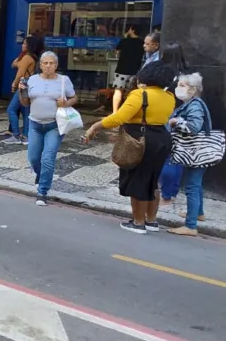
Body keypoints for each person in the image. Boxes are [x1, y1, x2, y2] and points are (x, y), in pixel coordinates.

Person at [84, 62, 176, 235]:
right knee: (153, 181)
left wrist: (96, 126)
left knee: (138, 180)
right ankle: (151, 221)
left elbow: (119, 117)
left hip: (140, 138)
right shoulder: (169, 96)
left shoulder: (139, 95)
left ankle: (138, 222)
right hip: (161, 138)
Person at [18, 52, 77, 206]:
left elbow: (74, 98)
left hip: (54, 125)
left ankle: (42, 191)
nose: (48, 66)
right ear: (41, 65)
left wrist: (66, 103)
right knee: (33, 158)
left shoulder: (64, 80)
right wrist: (21, 91)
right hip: (35, 124)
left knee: (48, 158)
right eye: (45, 63)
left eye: (51, 63)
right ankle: (40, 175)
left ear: (56, 65)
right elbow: (25, 103)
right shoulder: (32, 79)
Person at [166, 73, 211, 236]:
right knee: (196, 185)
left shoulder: (195, 105)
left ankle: (190, 226)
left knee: (192, 186)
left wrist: (176, 121)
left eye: (183, 85)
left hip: (195, 152)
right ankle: (198, 213)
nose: (179, 88)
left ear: (193, 89)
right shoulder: (192, 103)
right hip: (197, 152)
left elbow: (194, 127)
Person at [158, 42, 189, 205]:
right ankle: (173, 191)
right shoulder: (188, 74)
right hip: (186, 115)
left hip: (169, 114)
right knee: (178, 156)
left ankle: (166, 194)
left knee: (167, 156)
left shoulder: (167, 75)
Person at [4, 36, 39, 145]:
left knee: (11, 109)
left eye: (24, 43)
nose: (22, 45)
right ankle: (25, 136)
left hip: (24, 83)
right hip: (30, 83)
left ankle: (15, 135)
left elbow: (20, 73)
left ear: (29, 46)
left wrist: (14, 85)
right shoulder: (32, 57)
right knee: (25, 112)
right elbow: (14, 64)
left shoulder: (26, 57)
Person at [112, 25, 143, 113]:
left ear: (132, 30)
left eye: (129, 29)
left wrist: (125, 37)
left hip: (121, 69)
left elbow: (117, 49)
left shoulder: (125, 41)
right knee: (130, 92)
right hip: (134, 70)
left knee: (118, 91)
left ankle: (115, 112)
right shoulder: (141, 42)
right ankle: (127, 112)